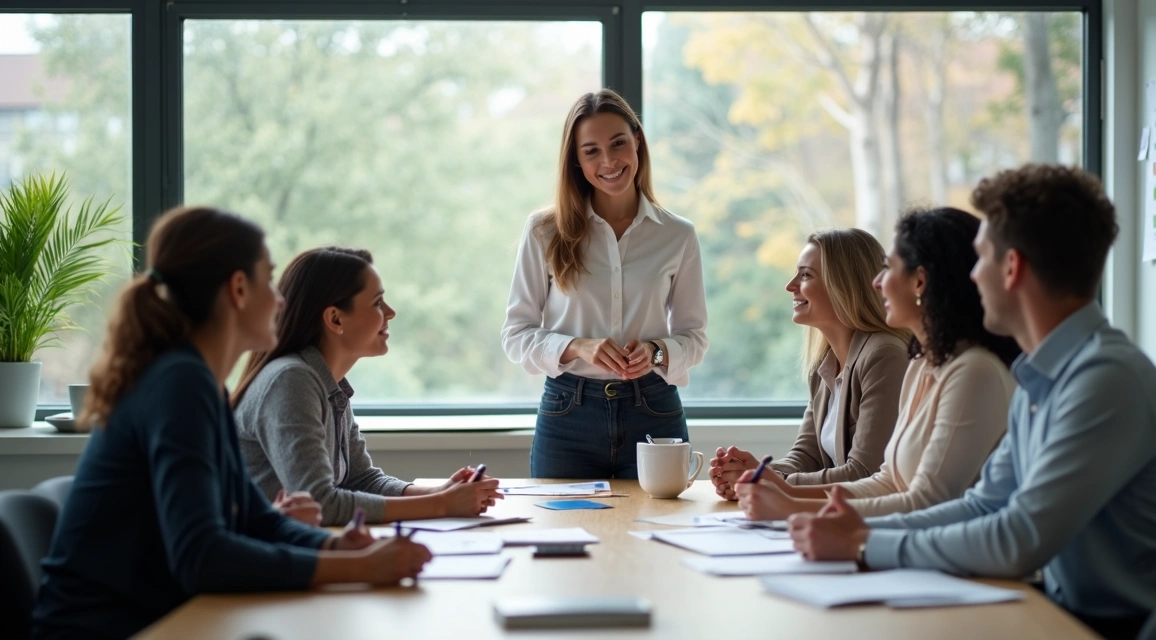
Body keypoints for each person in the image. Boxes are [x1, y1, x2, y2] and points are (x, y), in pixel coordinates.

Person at [786, 165, 1156, 640]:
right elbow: (982, 504)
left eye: (981, 258)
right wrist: (857, 530)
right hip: (1071, 614)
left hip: (1133, 628)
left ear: (1012, 268)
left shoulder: (1105, 380)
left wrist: (865, 542)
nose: (970, 276)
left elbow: (1019, 538)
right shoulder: (1042, 376)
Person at [32, 207, 432, 640]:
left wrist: (335, 545)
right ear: (239, 289)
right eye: (269, 279)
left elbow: (258, 520)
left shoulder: (201, 384)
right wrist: (357, 566)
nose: (280, 301)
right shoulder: (179, 384)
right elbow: (202, 556)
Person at [736, 207, 1020, 520]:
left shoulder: (974, 372)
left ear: (919, 282)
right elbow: (887, 481)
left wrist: (792, 503)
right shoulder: (920, 364)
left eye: (888, 269)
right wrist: (785, 493)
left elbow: (927, 501)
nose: (877, 283)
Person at [501, 89, 708, 479]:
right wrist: (577, 346)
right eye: (591, 151)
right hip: (567, 414)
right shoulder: (544, 231)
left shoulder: (677, 235)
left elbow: (694, 337)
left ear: (638, 142)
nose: (609, 161)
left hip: (654, 412)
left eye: (618, 144)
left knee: (655, 535)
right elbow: (516, 334)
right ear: (576, 161)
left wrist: (656, 351)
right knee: (562, 538)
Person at [232, 247, 502, 526]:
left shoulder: (327, 383)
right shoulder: (290, 381)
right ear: (335, 319)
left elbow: (361, 480)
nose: (391, 312)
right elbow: (319, 503)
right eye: (377, 303)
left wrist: (440, 492)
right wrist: (442, 505)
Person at [709, 229, 909, 500]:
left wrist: (772, 481)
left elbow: (865, 473)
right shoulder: (823, 366)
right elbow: (806, 456)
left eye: (805, 275)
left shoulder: (884, 356)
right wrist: (751, 475)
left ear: (845, 285)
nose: (790, 285)